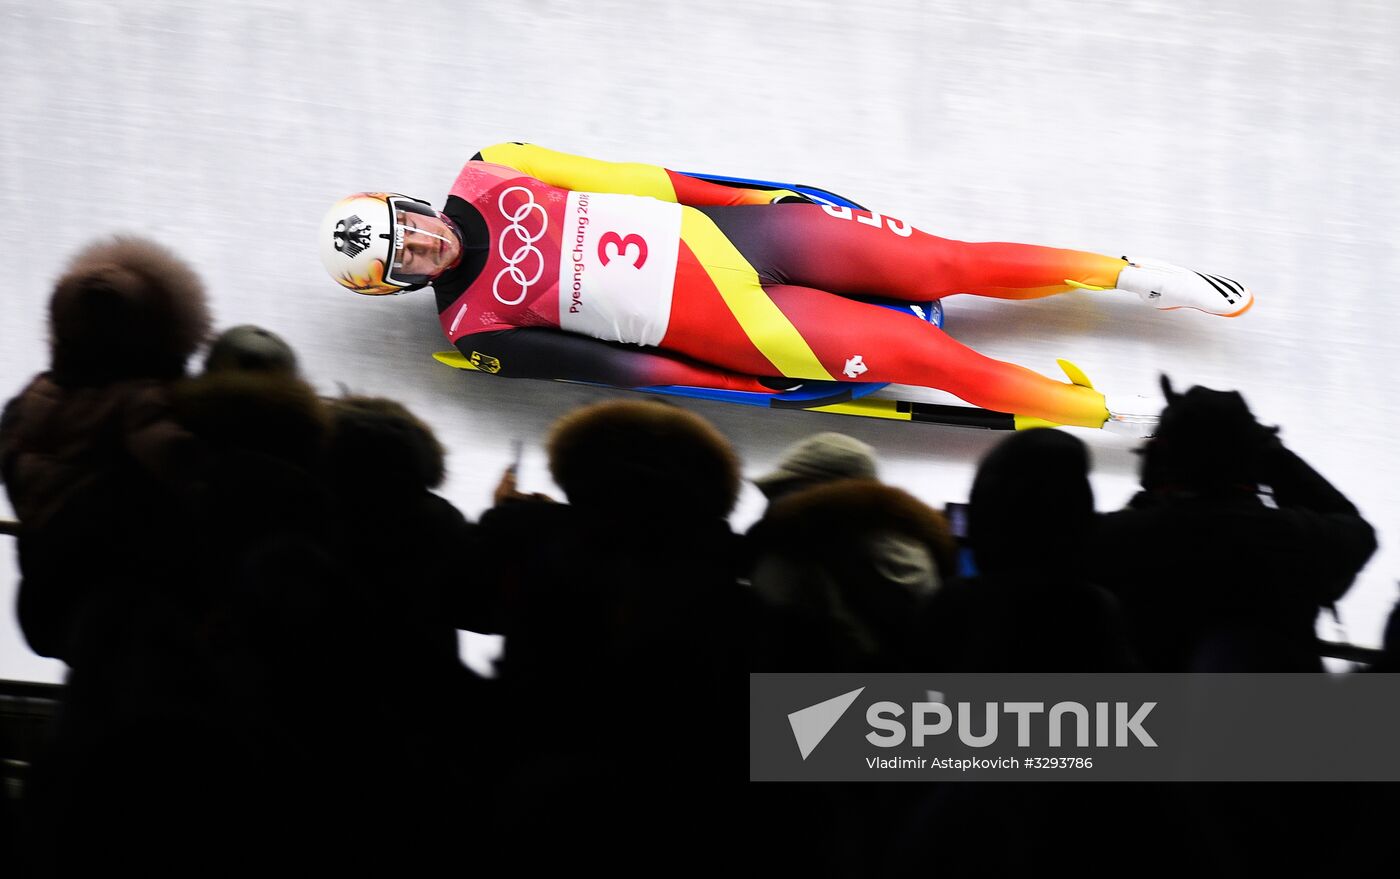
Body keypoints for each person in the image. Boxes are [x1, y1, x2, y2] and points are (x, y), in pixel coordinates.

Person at [318, 142, 1254, 431]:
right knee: (932, 355)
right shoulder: (474, 329)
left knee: (943, 263)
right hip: (738, 322)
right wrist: (749, 390)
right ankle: (1121, 416)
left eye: (413, 224)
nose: (430, 243)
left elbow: (646, 181)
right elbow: (615, 370)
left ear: (414, 202)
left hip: (747, 228)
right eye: (408, 258)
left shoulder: (495, 166)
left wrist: (766, 198)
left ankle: (1140, 277)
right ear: (399, 284)